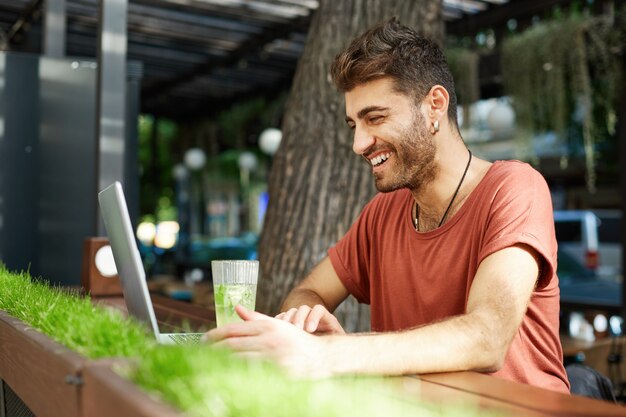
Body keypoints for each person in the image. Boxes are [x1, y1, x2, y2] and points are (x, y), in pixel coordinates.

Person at [207, 18, 570, 394]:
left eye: (375, 118)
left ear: (435, 105)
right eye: (353, 125)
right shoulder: (382, 214)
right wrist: (309, 321)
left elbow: (487, 338)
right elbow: (307, 292)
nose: (359, 144)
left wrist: (329, 354)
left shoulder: (514, 188)